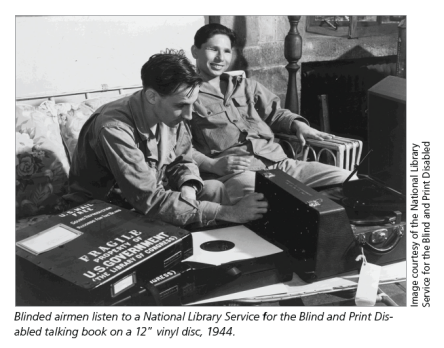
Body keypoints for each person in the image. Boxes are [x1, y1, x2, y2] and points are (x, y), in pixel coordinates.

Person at [69, 50, 267, 226]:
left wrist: (188, 185)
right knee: (222, 212)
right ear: (153, 97)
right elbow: (149, 199)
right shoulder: (114, 129)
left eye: (192, 103)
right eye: (181, 105)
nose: (189, 115)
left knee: (213, 189)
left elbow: (183, 159)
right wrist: (229, 213)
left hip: (145, 200)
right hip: (103, 213)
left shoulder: (169, 112)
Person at [190, 23, 354, 202]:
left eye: (227, 51)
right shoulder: (186, 96)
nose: (220, 58)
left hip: (279, 163)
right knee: (272, 199)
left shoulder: (246, 86)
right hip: (238, 174)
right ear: (195, 51)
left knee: (348, 181)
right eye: (213, 49)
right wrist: (212, 165)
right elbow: (178, 148)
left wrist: (298, 125)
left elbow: (276, 113)